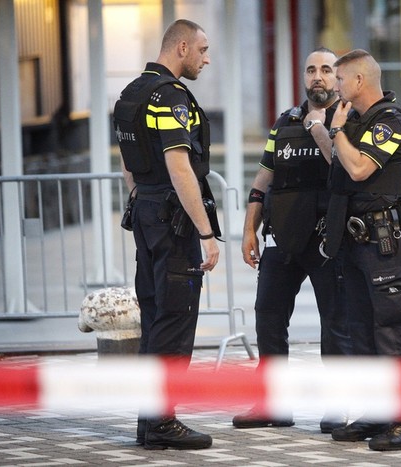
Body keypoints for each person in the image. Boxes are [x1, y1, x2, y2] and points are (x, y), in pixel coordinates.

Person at [232, 48, 353, 433]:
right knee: (268, 317)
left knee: (334, 323)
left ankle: (337, 404)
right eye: (311, 69)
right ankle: (273, 403)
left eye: (326, 70)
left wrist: (320, 128)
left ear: (338, 77)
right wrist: (249, 227)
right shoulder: (285, 121)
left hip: (326, 240)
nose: (318, 76)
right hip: (281, 237)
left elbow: (347, 169)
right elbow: (263, 179)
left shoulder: (349, 119)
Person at [114, 19, 219, 451]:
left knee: (156, 318)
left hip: (145, 212)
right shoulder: (169, 96)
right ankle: (163, 422)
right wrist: (206, 232)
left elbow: (129, 164)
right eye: (202, 50)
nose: (206, 59)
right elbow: (180, 167)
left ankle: (149, 420)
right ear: (180, 48)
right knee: (175, 321)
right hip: (171, 220)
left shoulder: (131, 93)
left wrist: (144, 199)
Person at [322, 49, 401, 451]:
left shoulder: (392, 121)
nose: (336, 87)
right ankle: (380, 414)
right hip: (356, 242)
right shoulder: (359, 122)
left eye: (341, 80)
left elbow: (360, 168)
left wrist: (336, 131)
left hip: (384, 244)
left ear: (360, 81)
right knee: (362, 333)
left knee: (393, 331)